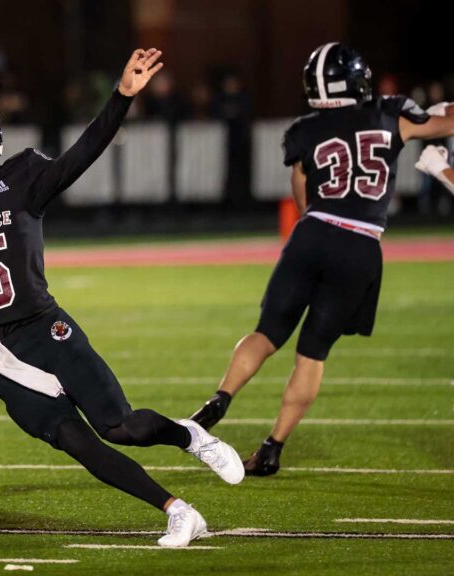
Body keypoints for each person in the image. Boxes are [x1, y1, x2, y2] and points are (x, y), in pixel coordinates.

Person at [0, 48, 242, 548]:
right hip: (0, 355)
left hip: (47, 328)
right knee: (78, 443)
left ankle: (191, 437)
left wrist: (122, 97)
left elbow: (81, 154)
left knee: (121, 426)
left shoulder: (21, 177)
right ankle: (178, 511)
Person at [189, 43, 454, 475]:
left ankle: (219, 400)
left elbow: (302, 195)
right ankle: (272, 447)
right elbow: (444, 122)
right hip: (361, 244)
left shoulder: (304, 130)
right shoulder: (389, 112)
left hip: (312, 233)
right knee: (311, 354)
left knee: (267, 332)